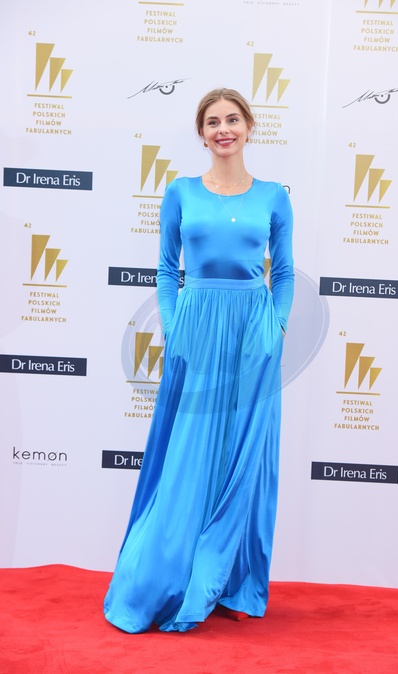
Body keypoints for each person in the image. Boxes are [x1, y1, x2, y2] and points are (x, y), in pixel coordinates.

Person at [104, 87, 294, 633]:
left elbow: (283, 271)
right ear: (202, 133)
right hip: (196, 328)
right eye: (213, 122)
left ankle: (232, 581)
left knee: (242, 457)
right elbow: (167, 268)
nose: (223, 129)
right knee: (187, 453)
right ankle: (171, 576)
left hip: (253, 330)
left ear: (249, 126)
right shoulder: (181, 191)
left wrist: (277, 328)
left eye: (232, 119)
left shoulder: (275, 196)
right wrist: (174, 327)